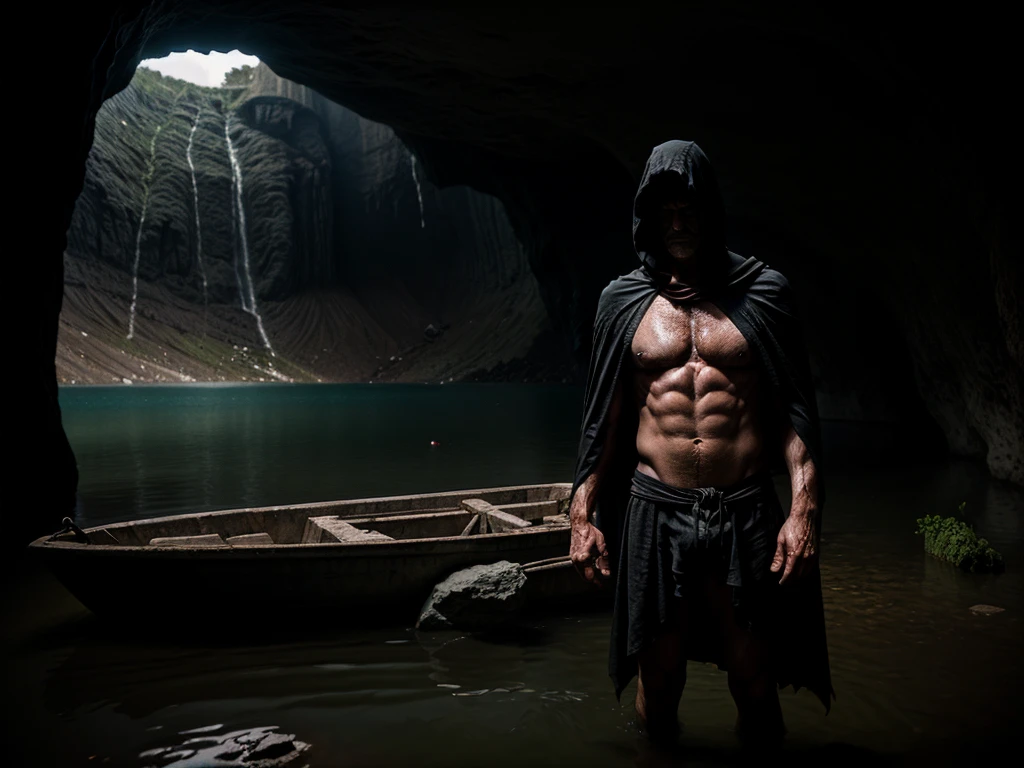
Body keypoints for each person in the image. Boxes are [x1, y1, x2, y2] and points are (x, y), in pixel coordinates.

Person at [568, 140, 833, 748]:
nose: (677, 223)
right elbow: (601, 430)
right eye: (664, 213)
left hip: (743, 509)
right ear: (648, 220)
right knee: (657, 680)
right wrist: (581, 515)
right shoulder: (622, 303)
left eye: (687, 208)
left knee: (755, 678)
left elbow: (794, 419)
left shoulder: (763, 293)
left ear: (711, 210)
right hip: (656, 511)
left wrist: (803, 510)